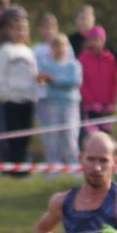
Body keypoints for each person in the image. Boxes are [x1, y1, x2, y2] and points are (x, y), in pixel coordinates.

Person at [0, 9, 38, 173]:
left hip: (27, 100)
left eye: (24, 29)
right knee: (11, 136)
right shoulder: (5, 50)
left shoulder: (29, 52)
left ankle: (22, 168)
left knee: (25, 136)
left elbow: (34, 75)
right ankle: (10, 168)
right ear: (9, 31)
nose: (21, 32)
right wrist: (5, 94)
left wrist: (35, 91)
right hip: (11, 101)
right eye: (17, 28)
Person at [37, 34, 81, 167]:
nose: (60, 49)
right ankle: (53, 166)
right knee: (52, 137)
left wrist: (54, 80)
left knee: (70, 135)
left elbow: (73, 82)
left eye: (62, 46)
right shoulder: (47, 66)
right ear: (51, 48)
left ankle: (73, 165)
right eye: (56, 46)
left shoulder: (74, 65)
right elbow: (42, 80)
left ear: (67, 47)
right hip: (52, 104)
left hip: (70, 104)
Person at [78, 26, 117, 134]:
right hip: (90, 107)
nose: (97, 43)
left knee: (106, 135)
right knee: (93, 136)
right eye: (94, 40)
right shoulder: (83, 59)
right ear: (89, 41)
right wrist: (92, 102)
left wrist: (112, 101)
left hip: (107, 106)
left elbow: (115, 82)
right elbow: (83, 83)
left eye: (100, 39)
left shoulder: (110, 59)